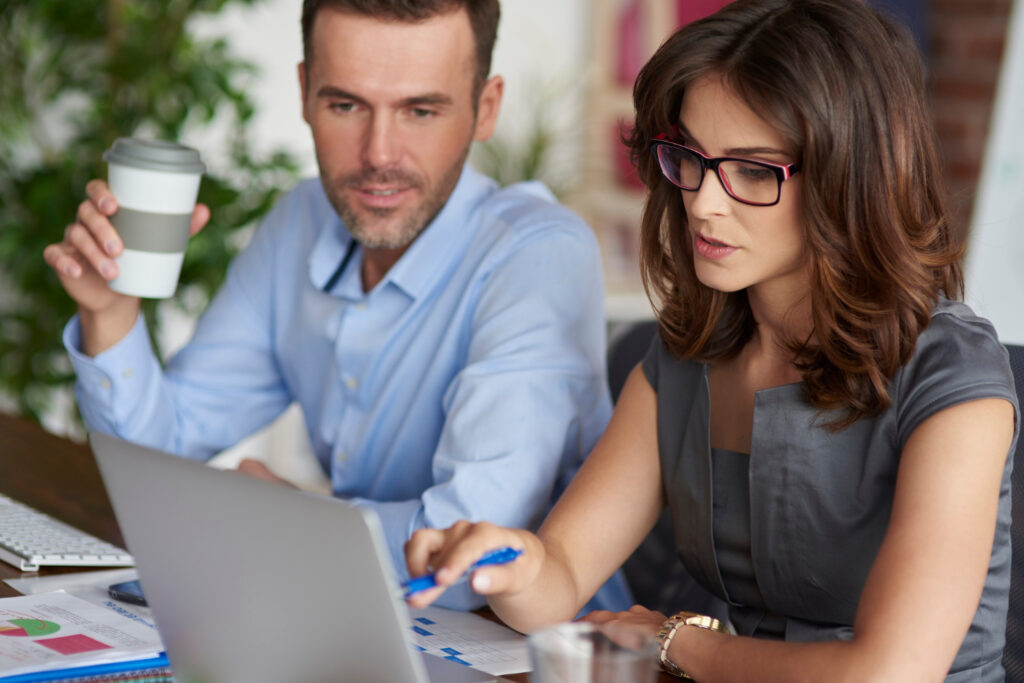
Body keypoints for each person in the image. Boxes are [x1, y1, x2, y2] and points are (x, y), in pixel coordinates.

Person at [404, 0, 1020, 679]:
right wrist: (507, 565)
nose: (702, 201)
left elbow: (885, 673)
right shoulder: (684, 358)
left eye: (754, 171)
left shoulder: (950, 373)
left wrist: (676, 640)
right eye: (691, 157)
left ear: (851, 177)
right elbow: (564, 572)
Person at [43, 0, 631, 613]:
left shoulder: (537, 255)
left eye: (421, 110)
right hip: (353, 617)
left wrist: (283, 514)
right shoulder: (299, 222)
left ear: (485, 109)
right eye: (346, 105)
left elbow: (465, 560)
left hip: (534, 656)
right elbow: (156, 461)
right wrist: (109, 315)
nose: (379, 153)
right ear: (304, 93)